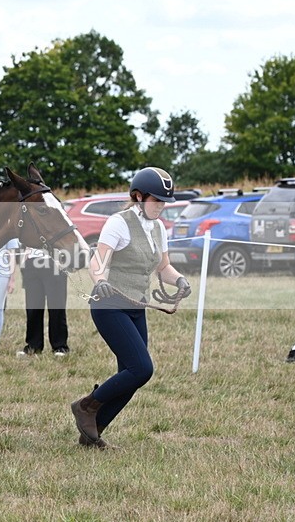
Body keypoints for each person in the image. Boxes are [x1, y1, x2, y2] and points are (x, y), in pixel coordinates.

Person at [71, 167, 192, 449]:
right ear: (138, 196)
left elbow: (163, 267)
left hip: (136, 306)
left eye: (164, 202)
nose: (161, 207)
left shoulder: (158, 227)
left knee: (131, 376)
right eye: (156, 200)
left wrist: (180, 280)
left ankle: (92, 434)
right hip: (109, 304)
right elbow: (97, 261)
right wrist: (99, 281)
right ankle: (86, 405)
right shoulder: (118, 223)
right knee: (142, 369)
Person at [18, 248, 69, 356]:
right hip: (32, 262)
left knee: (56, 307)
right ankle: (33, 346)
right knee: (33, 308)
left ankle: (60, 346)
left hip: (54, 261)